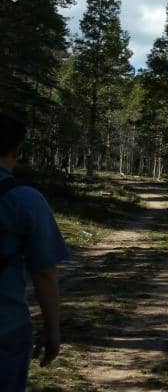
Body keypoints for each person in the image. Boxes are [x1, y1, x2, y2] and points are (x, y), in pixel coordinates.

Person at [0, 113, 70, 391]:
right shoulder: (25, 200)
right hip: (6, 327)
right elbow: (44, 272)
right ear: (18, 151)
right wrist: (52, 329)